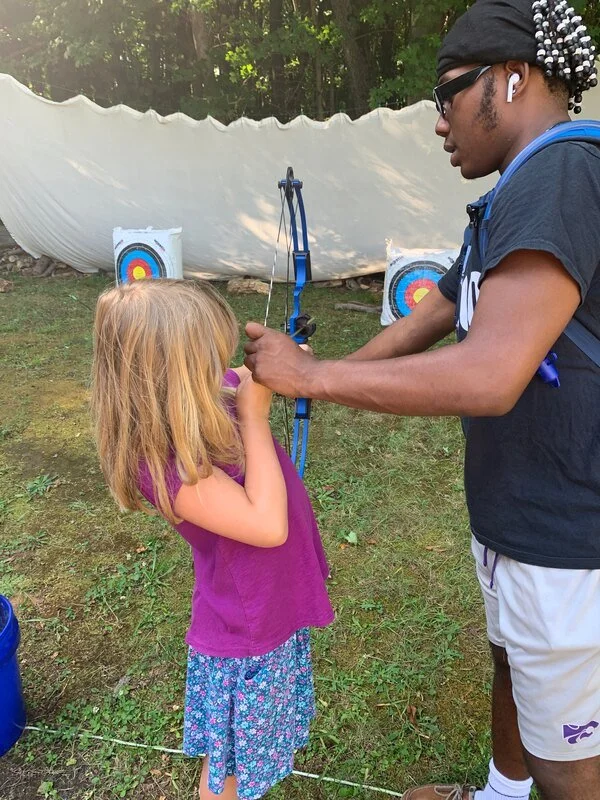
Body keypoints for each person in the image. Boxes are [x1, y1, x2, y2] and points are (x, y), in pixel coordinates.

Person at [243, 1, 600, 798]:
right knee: (511, 664)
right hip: (520, 517)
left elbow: (488, 373)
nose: (439, 123)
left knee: (569, 760)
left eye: (449, 94)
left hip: (572, 540)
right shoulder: (510, 197)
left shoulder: (565, 172)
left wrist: (314, 378)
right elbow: (432, 319)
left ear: (513, 79)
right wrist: (310, 373)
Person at [90, 279, 334, 800]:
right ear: (169, 373)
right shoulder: (170, 467)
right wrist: (254, 415)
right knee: (230, 771)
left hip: (267, 609)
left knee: (245, 759)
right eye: (207, 354)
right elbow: (267, 524)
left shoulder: (202, 396)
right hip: (246, 634)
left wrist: (285, 362)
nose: (220, 362)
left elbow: (244, 376)